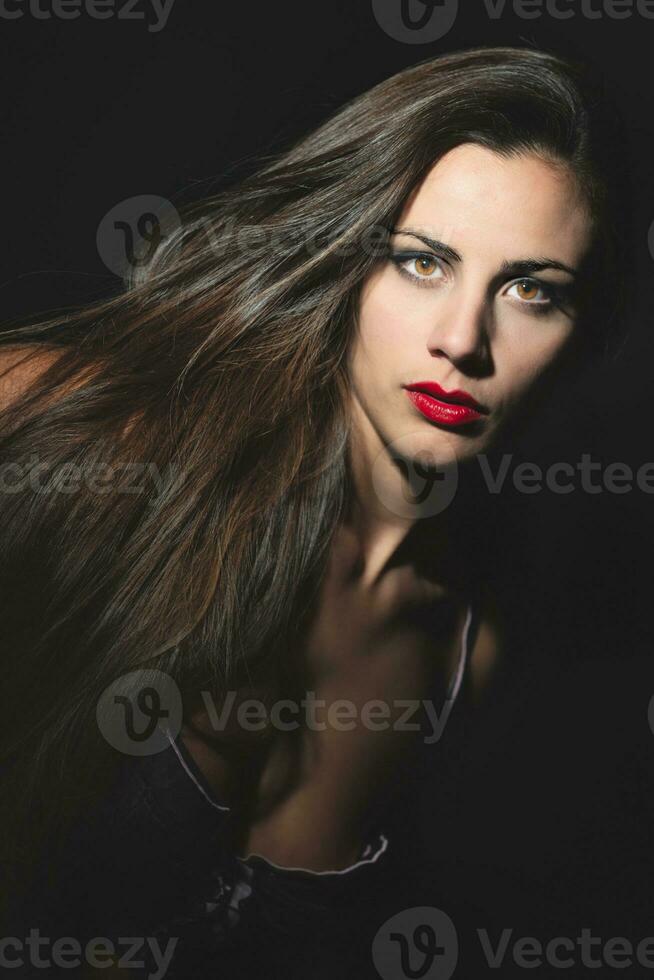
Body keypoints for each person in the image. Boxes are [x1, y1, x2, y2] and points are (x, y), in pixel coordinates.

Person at [0, 44, 632, 977]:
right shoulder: (112, 445)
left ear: (580, 338)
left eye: (531, 291)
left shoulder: (462, 650)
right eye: (422, 264)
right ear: (346, 263)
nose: (464, 341)